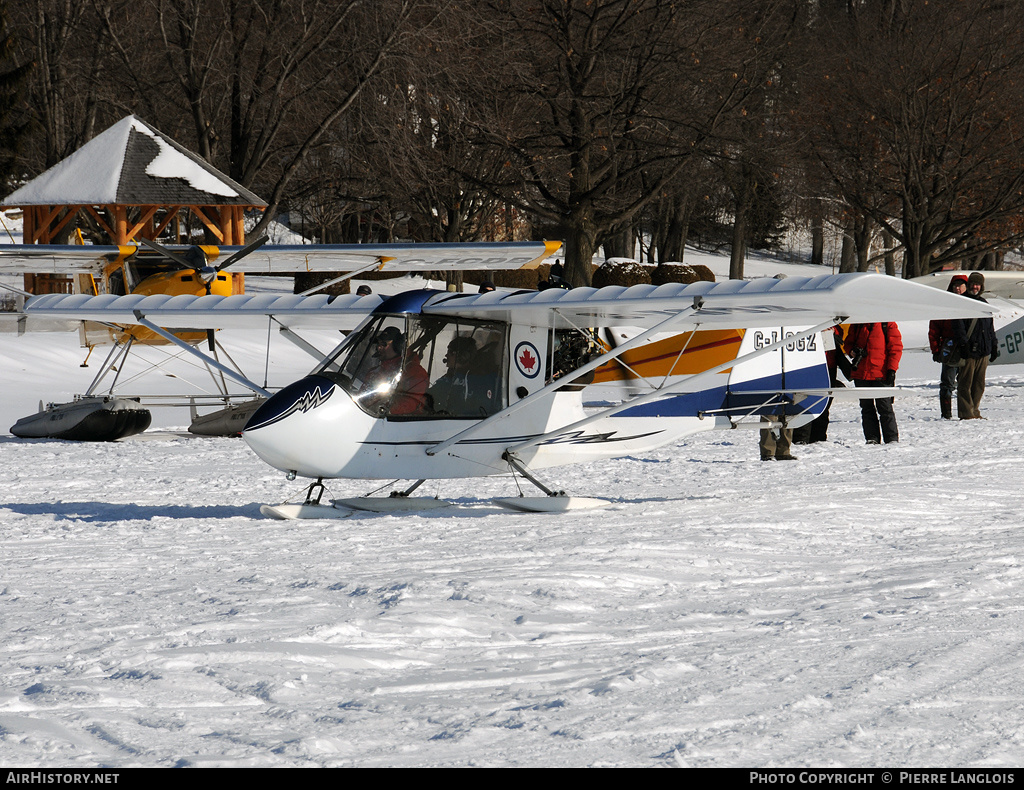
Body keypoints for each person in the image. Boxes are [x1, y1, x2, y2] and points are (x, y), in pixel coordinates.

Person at [844, 321, 903, 444]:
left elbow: (896, 348)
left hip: (881, 374)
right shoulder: (857, 323)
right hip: (861, 374)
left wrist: (892, 370)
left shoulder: (887, 323)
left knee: (885, 407)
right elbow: (848, 343)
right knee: (866, 408)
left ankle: (891, 439)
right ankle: (872, 438)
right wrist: (852, 351)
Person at [793, 325, 852, 444]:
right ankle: (801, 438)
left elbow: (845, 336)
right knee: (805, 403)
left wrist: (833, 336)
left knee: (824, 405)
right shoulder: (805, 324)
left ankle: (818, 438)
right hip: (809, 367)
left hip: (828, 367)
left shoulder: (835, 326)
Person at [954, 272, 999, 419]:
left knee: (979, 385)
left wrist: (993, 346)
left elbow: (990, 328)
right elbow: (958, 327)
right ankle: (966, 413)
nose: (975, 287)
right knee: (965, 384)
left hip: (983, 351)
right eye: (973, 284)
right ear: (968, 285)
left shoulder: (984, 304)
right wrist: (963, 345)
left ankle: (975, 410)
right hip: (968, 351)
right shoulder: (961, 303)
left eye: (978, 284)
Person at [360, 326, 428, 416]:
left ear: (398, 346)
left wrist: (380, 409)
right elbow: (362, 396)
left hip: (395, 425)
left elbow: (408, 405)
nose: (379, 348)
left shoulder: (414, 372)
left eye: (384, 344)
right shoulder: (374, 372)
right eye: (378, 344)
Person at [928, 274, 968, 419]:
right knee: (947, 384)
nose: (958, 288)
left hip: (968, 349)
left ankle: (967, 412)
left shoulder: (973, 304)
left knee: (967, 383)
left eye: (961, 285)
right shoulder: (944, 306)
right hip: (950, 350)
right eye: (955, 285)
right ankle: (946, 414)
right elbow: (934, 330)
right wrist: (936, 350)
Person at [426, 336, 480, 416]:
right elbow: (431, 395)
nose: (446, 355)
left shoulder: (475, 380)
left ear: (463, 356)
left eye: (450, 352)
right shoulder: (449, 377)